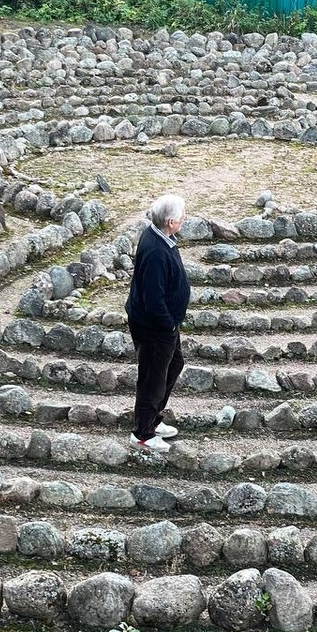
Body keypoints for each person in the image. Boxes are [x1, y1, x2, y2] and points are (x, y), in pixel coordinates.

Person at [125, 193, 190, 453]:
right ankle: (142, 434)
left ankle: (152, 419)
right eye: (182, 216)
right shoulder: (155, 251)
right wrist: (168, 325)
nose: (185, 219)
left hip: (162, 324)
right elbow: (153, 299)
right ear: (171, 222)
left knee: (173, 365)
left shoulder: (158, 235)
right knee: (153, 378)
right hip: (155, 326)